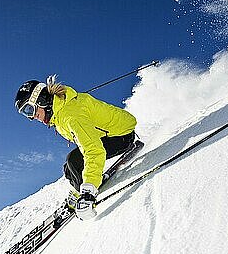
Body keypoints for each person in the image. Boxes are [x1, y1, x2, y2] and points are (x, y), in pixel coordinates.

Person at [14, 75, 138, 219]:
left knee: (74, 161)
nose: (32, 117)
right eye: (26, 114)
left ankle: (84, 193)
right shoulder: (60, 113)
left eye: (29, 110)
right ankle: (80, 189)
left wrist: (89, 191)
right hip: (110, 134)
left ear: (40, 100)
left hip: (122, 135)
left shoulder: (70, 116)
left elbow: (94, 150)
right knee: (68, 168)